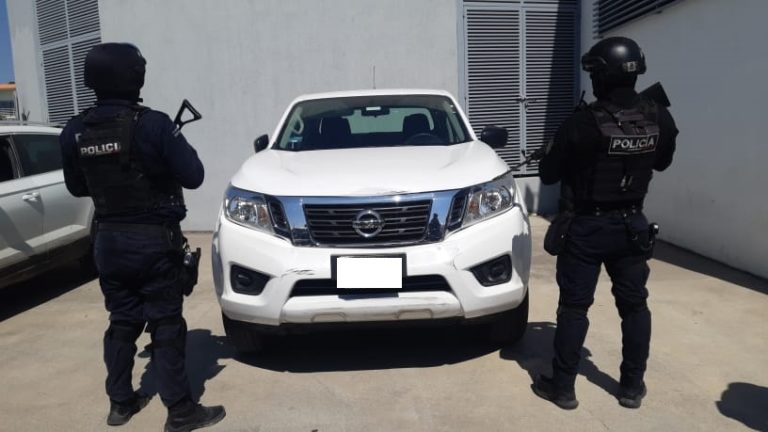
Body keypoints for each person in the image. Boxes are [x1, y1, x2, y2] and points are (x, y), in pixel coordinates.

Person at [60, 42, 225, 431]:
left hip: (108, 241)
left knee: (122, 321)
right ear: (134, 77)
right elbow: (194, 175)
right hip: (153, 241)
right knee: (166, 324)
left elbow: (77, 187)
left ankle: (120, 403)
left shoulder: (74, 130)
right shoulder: (153, 124)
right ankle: (180, 411)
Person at [532, 36, 678, 410]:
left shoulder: (583, 122)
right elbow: (662, 162)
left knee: (574, 308)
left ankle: (563, 388)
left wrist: (553, 148)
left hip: (587, 228)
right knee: (635, 307)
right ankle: (631, 386)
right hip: (632, 227)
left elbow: (548, 174)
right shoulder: (659, 116)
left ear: (601, 76)